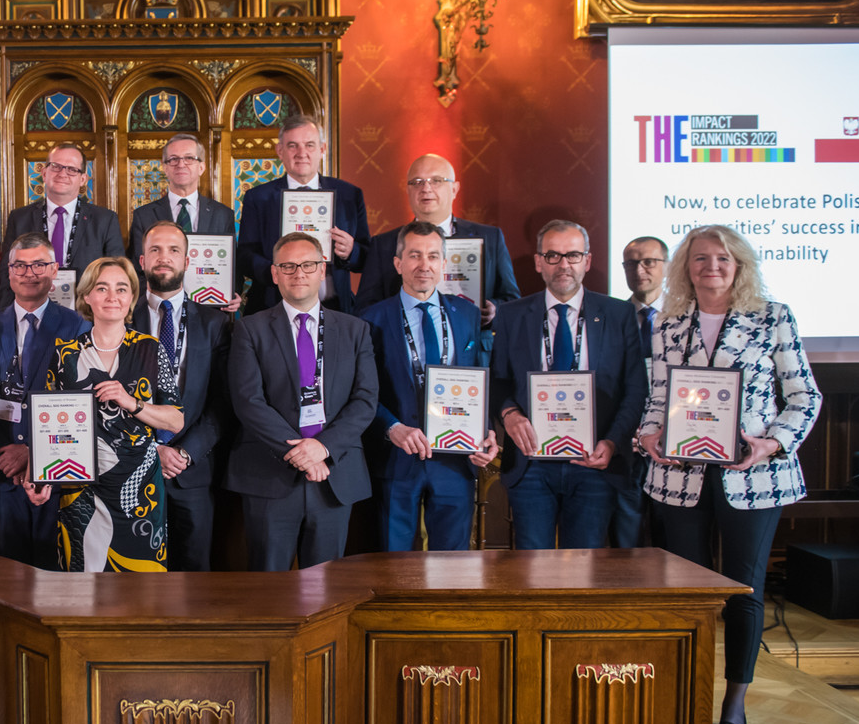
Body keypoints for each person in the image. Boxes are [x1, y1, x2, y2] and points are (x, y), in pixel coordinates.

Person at [637, 225, 821, 724]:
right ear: (686, 267)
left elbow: (804, 396)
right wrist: (648, 434)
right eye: (700, 258)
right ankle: (687, 696)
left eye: (722, 258)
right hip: (681, 474)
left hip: (753, 476)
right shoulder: (669, 323)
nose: (711, 267)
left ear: (739, 265)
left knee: (744, 589)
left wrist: (772, 443)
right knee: (685, 594)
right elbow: (658, 399)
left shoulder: (773, 317)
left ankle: (734, 702)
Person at [490, 221, 646, 550]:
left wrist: (613, 442)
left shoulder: (619, 314)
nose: (563, 264)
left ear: (587, 261)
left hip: (594, 461)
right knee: (532, 567)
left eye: (573, 255)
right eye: (553, 255)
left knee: (584, 568)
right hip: (531, 463)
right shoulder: (511, 315)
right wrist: (509, 414)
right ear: (538, 262)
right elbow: (498, 380)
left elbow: (635, 389)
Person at [227, 232, 378, 570]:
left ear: (322, 270)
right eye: (288, 266)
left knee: (326, 587)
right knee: (268, 587)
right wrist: (302, 455)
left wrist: (322, 448)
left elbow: (365, 400)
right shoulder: (249, 329)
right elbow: (248, 401)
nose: (299, 273)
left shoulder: (355, 330)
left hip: (333, 475)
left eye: (308, 265)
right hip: (270, 475)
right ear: (275, 273)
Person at [23, 257, 182, 572]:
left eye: (122, 289)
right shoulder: (65, 353)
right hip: (79, 488)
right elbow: (47, 425)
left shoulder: (151, 349)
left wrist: (132, 402)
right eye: (102, 288)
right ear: (86, 296)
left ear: (131, 297)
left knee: (143, 587)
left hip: (139, 492)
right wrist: (38, 474)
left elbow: (176, 420)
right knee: (82, 583)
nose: (113, 297)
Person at [359, 222, 499, 551]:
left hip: (456, 460)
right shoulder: (369, 320)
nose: (424, 265)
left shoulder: (467, 315)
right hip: (396, 459)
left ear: (443, 263)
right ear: (398, 263)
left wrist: (485, 431)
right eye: (415, 255)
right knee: (395, 564)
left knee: (452, 565)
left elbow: (479, 378)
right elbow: (360, 391)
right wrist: (391, 427)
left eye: (433, 256)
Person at [0, 232, 89, 566]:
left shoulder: (78, 327)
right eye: (20, 266)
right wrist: (1, 453)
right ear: (8, 272)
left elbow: (80, 402)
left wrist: (35, 454)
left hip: (55, 475)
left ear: (54, 270)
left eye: (39, 264)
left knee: (53, 574)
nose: (29, 273)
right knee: (1, 575)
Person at [132, 220, 232, 571]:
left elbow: (224, 402)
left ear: (187, 261)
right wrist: (152, 450)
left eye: (173, 250)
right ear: (142, 261)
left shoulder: (215, 323)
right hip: (133, 470)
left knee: (194, 576)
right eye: (155, 250)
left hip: (192, 472)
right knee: (135, 579)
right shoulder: (122, 318)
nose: (164, 257)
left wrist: (185, 453)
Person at [356, 153, 521, 326]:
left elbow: (511, 299)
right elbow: (365, 308)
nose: (426, 188)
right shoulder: (383, 244)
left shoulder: (490, 238)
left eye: (436, 181)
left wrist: (494, 310)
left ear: (454, 189)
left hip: (472, 339)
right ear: (408, 190)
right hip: (406, 340)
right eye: (417, 182)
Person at [236, 114, 369, 315]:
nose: (301, 153)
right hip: (272, 308)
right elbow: (245, 256)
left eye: (309, 145)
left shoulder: (350, 195)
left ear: (322, 149)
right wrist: (279, 271)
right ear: (280, 151)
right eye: (292, 146)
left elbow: (366, 257)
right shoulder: (258, 197)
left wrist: (351, 251)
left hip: (334, 310)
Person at [0, 142, 124, 305]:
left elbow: (116, 274)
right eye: (56, 166)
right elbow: (7, 274)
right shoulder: (20, 218)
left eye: (72, 169)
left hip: (87, 311)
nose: (62, 173)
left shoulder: (105, 220)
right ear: (44, 173)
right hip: (32, 309)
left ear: (83, 179)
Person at [610, 235, 669, 548]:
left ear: (666, 266)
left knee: (671, 541)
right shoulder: (611, 317)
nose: (639, 269)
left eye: (649, 262)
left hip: (670, 445)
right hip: (626, 446)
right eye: (631, 263)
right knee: (625, 543)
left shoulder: (685, 318)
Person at [126, 133, 236, 260]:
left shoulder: (223, 215)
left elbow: (231, 263)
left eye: (189, 158)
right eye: (173, 159)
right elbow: (138, 265)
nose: (181, 164)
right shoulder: (143, 216)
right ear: (165, 168)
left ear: (201, 167)